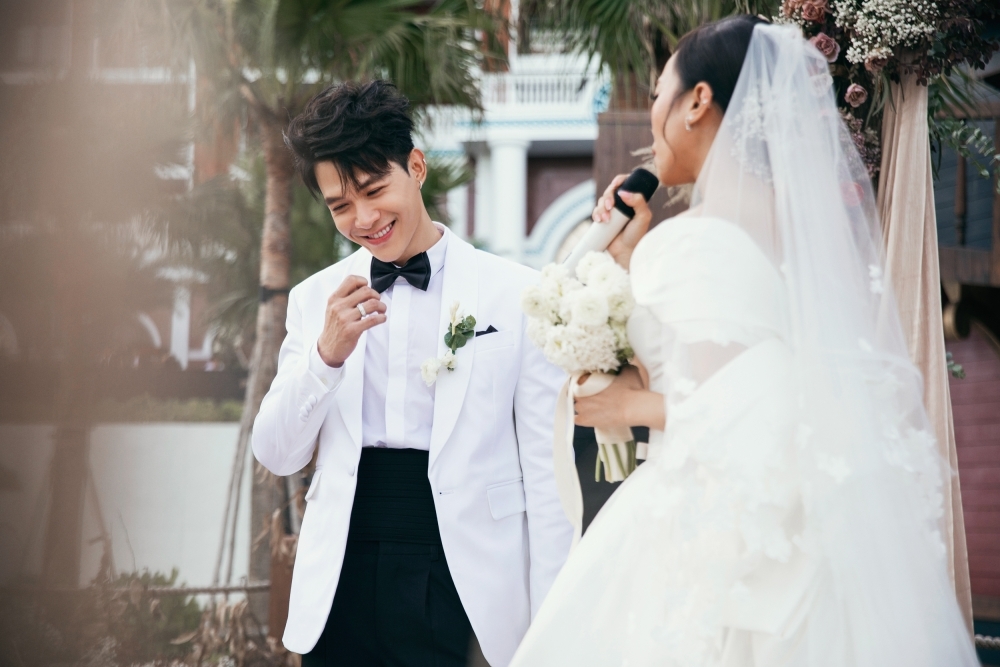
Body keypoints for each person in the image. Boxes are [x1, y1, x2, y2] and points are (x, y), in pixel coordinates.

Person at [510, 17, 979, 666]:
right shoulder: (802, 237)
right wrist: (631, 261)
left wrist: (629, 406)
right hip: (805, 522)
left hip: (712, 524)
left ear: (697, 102)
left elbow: (741, 412)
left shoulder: (691, 243)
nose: (652, 116)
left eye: (657, 95)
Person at [252, 80, 573, 667]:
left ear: (417, 167)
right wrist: (325, 357)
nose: (364, 218)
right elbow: (276, 453)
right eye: (340, 206)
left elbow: (548, 478)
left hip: (464, 577)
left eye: (375, 190)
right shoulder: (313, 299)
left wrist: (552, 629)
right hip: (342, 570)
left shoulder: (517, 295)